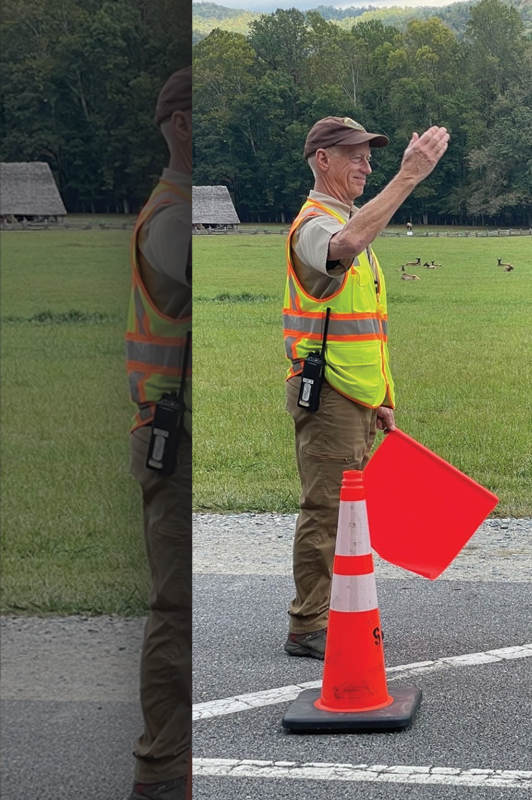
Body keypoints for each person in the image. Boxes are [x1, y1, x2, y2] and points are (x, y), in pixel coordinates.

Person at [282, 116, 449, 659]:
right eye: (354, 154)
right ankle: (309, 625)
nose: (367, 164)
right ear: (322, 159)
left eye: (370, 155)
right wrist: (407, 178)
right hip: (328, 395)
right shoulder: (314, 225)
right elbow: (344, 245)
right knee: (326, 509)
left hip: (354, 397)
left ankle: (334, 615)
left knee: (345, 512)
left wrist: (382, 397)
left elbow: (366, 322)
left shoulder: (351, 220)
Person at [126, 66, 192, 800]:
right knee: (176, 608)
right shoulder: (173, 219)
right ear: (181, 125)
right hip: (176, 439)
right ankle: (164, 769)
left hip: (175, 432)